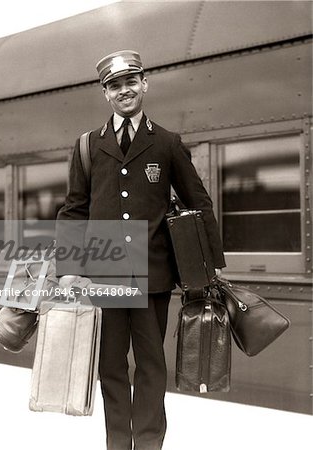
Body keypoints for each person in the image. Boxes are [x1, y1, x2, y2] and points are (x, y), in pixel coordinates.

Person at [56, 50, 226, 450]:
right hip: (104, 273)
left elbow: (199, 203)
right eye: (114, 85)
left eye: (131, 82)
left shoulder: (167, 142)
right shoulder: (87, 146)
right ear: (105, 94)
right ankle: (118, 443)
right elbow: (74, 209)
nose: (124, 91)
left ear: (144, 84)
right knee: (111, 366)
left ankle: (149, 444)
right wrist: (67, 267)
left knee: (151, 365)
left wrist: (209, 265)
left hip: (153, 275)